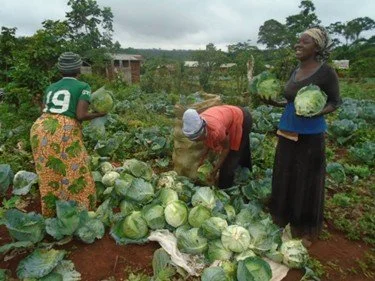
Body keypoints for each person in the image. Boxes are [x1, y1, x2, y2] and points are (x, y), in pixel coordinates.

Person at [261, 26, 342, 245]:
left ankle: (304, 227)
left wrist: (317, 111)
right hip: (287, 130)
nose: (298, 45)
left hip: (310, 135)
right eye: (298, 41)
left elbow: (335, 102)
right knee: (284, 174)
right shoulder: (295, 71)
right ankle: (282, 217)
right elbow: (290, 101)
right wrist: (272, 102)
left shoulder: (326, 72)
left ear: (316, 47)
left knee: (307, 179)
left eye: (304, 42)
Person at [30, 52, 105, 217]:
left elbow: (44, 109)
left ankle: (52, 212)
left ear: (59, 70)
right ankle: (80, 211)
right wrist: (99, 114)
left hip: (40, 127)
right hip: (64, 129)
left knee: (48, 171)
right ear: (78, 68)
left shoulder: (50, 87)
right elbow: (80, 115)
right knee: (77, 170)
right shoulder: (83, 87)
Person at [182, 105, 252, 189]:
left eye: (196, 139)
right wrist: (202, 159)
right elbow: (207, 143)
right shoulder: (199, 122)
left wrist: (216, 169)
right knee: (243, 147)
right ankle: (247, 170)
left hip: (242, 119)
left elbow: (226, 147)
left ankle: (225, 189)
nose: (195, 141)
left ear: (202, 132)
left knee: (229, 162)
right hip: (231, 113)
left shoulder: (216, 130)